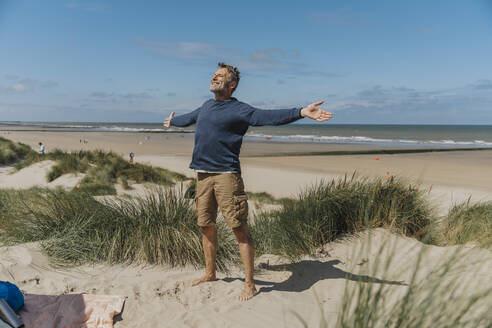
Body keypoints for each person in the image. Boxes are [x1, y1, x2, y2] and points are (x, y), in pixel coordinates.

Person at [163, 62, 333, 301]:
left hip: (226, 176)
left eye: (220, 76)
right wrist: (172, 121)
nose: (214, 78)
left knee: (238, 228)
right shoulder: (206, 106)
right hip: (202, 176)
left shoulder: (240, 110)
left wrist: (301, 112)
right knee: (205, 225)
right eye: (213, 75)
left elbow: (267, 117)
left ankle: (250, 284)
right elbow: (188, 118)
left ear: (231, 85)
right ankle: (210, 273)